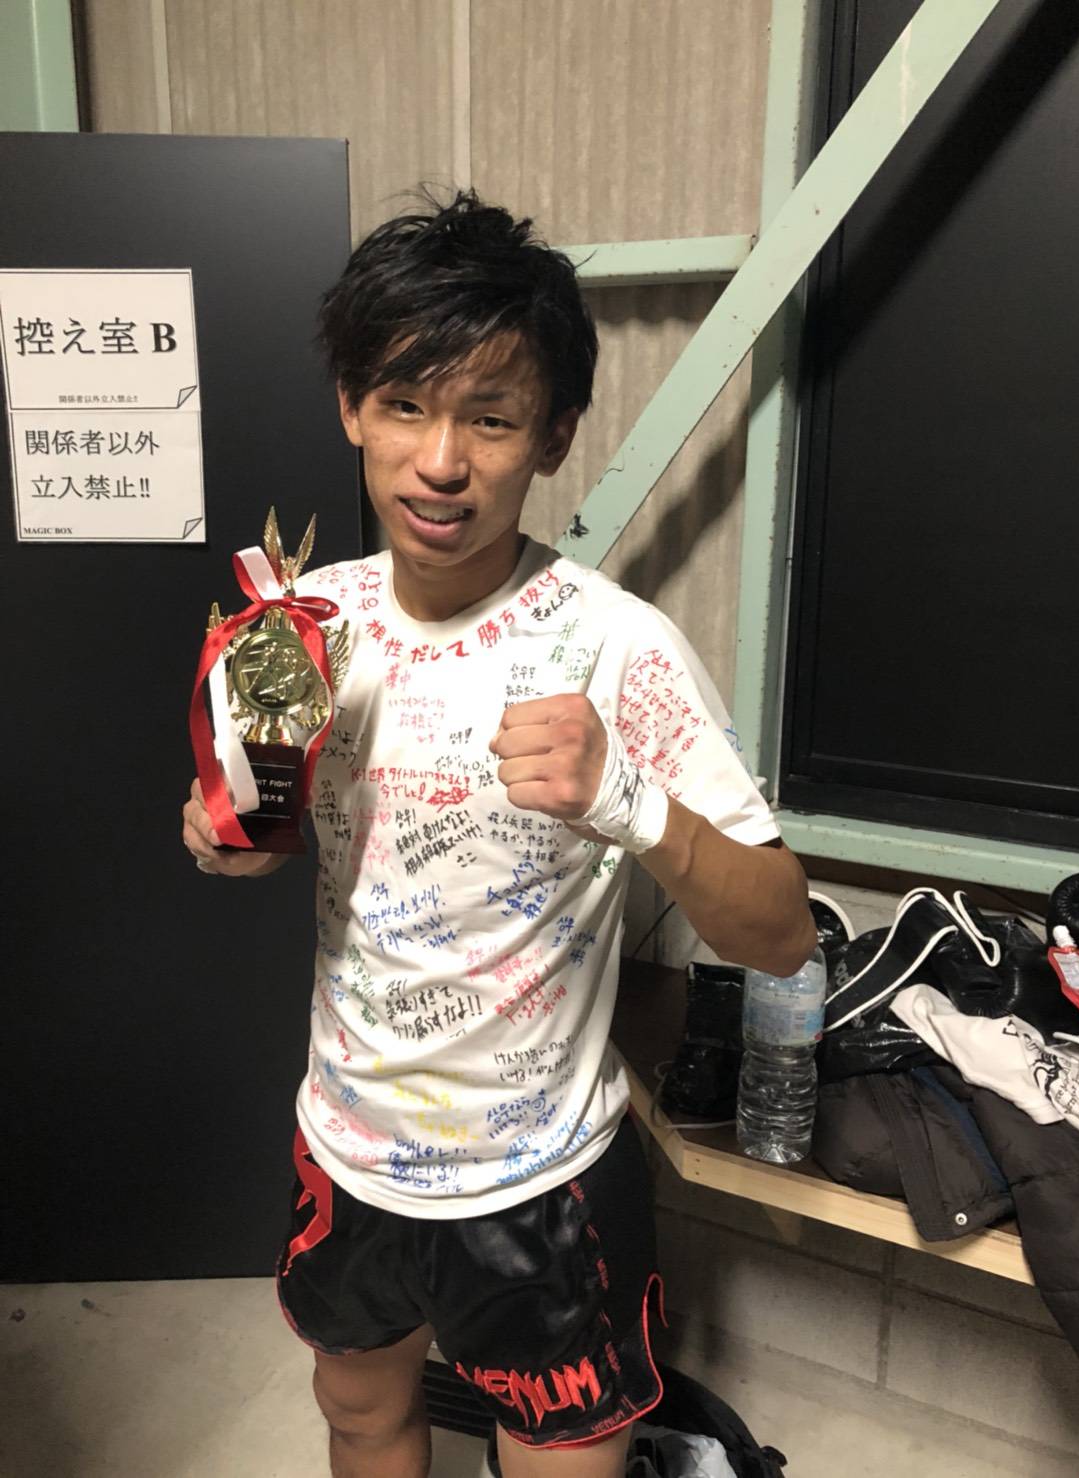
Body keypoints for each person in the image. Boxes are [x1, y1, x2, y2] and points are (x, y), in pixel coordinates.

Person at [182, 189, 814, 1478]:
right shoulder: (306, 624)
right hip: (345, 1152)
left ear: (554, 435)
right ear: (352, 407)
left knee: (559, 1460)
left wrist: (629, 799)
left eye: (491, 416)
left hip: (545, 1184)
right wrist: (229, 837)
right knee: (361, 1418)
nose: (441, 461)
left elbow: (783, 933)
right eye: (405, 404)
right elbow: (272, 830)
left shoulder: (618, 646)